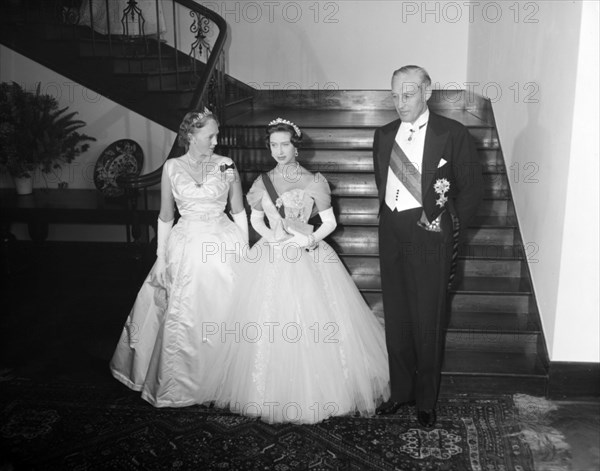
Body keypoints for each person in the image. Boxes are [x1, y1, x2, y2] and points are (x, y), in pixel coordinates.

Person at [209, 118, 390, 424]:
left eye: (285, 144)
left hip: (307, 255)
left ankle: (318, 391)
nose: (279, 150)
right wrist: (271, 238)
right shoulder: (260, 182)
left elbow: (329, 223)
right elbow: (255, 219)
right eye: (274, 145)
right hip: (272, 254)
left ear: (296, 146)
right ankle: (262, 393)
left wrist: (308, 239)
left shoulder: (314, 181)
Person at [110, 108, 248, 407]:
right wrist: (161, 259)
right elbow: (165, 215)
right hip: (184, 244)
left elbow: (238, 211)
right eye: (210, 135)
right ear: (190, 136)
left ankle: (229, 378)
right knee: (180, 310)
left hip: (223, 243)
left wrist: (246, 251)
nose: (216, 141)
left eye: (216, 135)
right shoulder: (172, 167)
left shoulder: (226, 165)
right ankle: (180, 383)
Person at [373, 66, 483, 427]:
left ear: (427, 92)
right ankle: (401, 391)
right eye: (394, 96)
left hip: (430, 235)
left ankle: (425, 399)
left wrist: (446, 224)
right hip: (392, 232)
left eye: (407, 95)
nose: (399, 103)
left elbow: (472, 191)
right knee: (398, 317)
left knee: (428, 319)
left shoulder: (452, 133)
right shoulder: (384, 134)